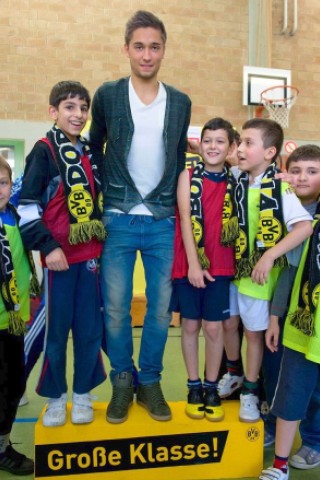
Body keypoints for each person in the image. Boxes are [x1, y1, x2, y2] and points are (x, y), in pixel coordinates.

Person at [89, 10, 191, 424]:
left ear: (163, 50)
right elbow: (94, 149)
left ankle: (149, 382)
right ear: (126, 49)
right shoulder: (109, 95)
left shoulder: (180, 102)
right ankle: (122, 381)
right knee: (114, 308)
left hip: (163, 219)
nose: (147, 54)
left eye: (154, 46)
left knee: (160, 310)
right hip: (117, 216)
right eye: (139, 46)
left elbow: (179, 156)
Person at [17, 81, 106, 427]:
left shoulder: (90, 152)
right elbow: (26, 208)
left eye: (83, 108)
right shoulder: (42, 151)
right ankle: (55, 398)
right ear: (53, 111)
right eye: (70, 107)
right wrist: (48, 247)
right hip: (58, 260)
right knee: (56, 332)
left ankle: (82, 393)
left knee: (89, 330)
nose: (78, 114)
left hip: (91, 258)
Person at [231, 118, 313, 423]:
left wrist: (269, 257)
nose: (240, 148)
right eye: (239, 141)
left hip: (261, 280)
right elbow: (230, 157)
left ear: (270, 152)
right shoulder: (241, 178)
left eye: (248, 143)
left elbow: (304, 227)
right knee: (230, 328)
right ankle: (235, 377)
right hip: (238, 273)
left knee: (254, 338)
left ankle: (251, 393)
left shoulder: (280, 187)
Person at [170, 117, 237, 421]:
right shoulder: (187, 175)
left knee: (214, 327)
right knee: (190, 326)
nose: (213, 146)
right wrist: (194, 265)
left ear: (230, 147)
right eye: (208, 140)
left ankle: (212, 386)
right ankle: (193, 385)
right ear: (200, 144)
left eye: (220, 141)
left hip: (222, 263)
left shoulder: (237, 178)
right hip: (189, 262)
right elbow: (185, 217)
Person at [260, 145, 320, 480]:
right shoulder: (281, 203)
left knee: (313, 385)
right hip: (283, 308)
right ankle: (272, 424)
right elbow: (288, 271)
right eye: (295, 170)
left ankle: (313, 439)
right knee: (279, 375)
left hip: (313, 314)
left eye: (312, 171)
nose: (302, 178)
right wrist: (274, 315)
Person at [0, 156, 36, 475]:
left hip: (14, 320)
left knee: (13, 386)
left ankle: (3, 446)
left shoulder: (16, 216)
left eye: (2, 182)